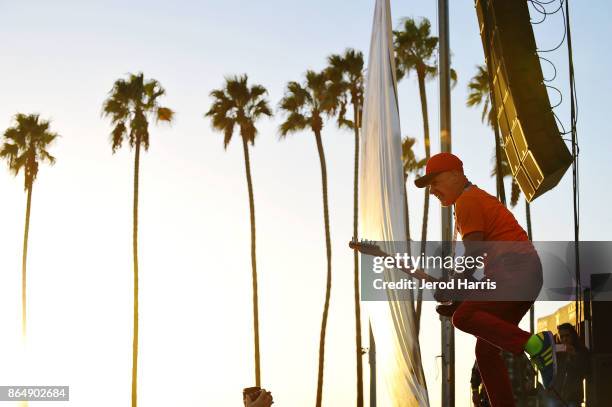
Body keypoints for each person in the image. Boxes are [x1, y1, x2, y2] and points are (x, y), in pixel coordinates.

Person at [414, 152, 557, 407]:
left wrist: (456, 289)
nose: (432, 190)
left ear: (456, 175)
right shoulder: (470, 200)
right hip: (522, 276)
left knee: (463, 318)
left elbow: (474, 255)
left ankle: (535, 344)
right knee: (486, 351)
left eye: (435, 182)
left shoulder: (467, 201)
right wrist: (458, 294)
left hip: (515, 271)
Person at [543, 323, 589, 407]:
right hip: (554, 395)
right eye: (562, 336)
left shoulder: (582, 350)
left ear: (573, 335)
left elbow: (585, 370)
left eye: (567, 336)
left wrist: (574, 355)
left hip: (572, 397)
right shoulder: (556, 350)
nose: (564, 339)